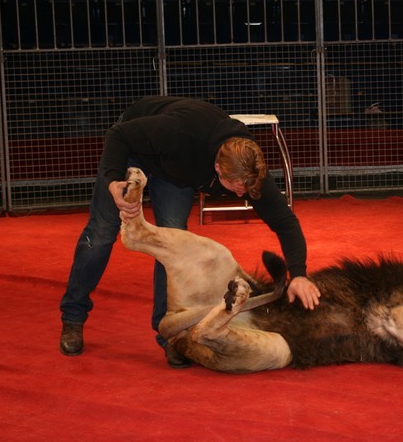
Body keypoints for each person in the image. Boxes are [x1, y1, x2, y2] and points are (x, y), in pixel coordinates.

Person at [59, 96, 321, 368]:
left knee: (173, 245)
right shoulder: (181, 132)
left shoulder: (249, 170)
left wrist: (299, 274)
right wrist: (114, 180)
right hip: (134, 147)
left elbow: (286, 223)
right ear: (218, 168)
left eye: (247, 187)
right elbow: (119, 135)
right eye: (235, 187)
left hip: (177, 172)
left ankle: (170, 336)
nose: (242, 194)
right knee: (101, 234)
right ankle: (73, 317)